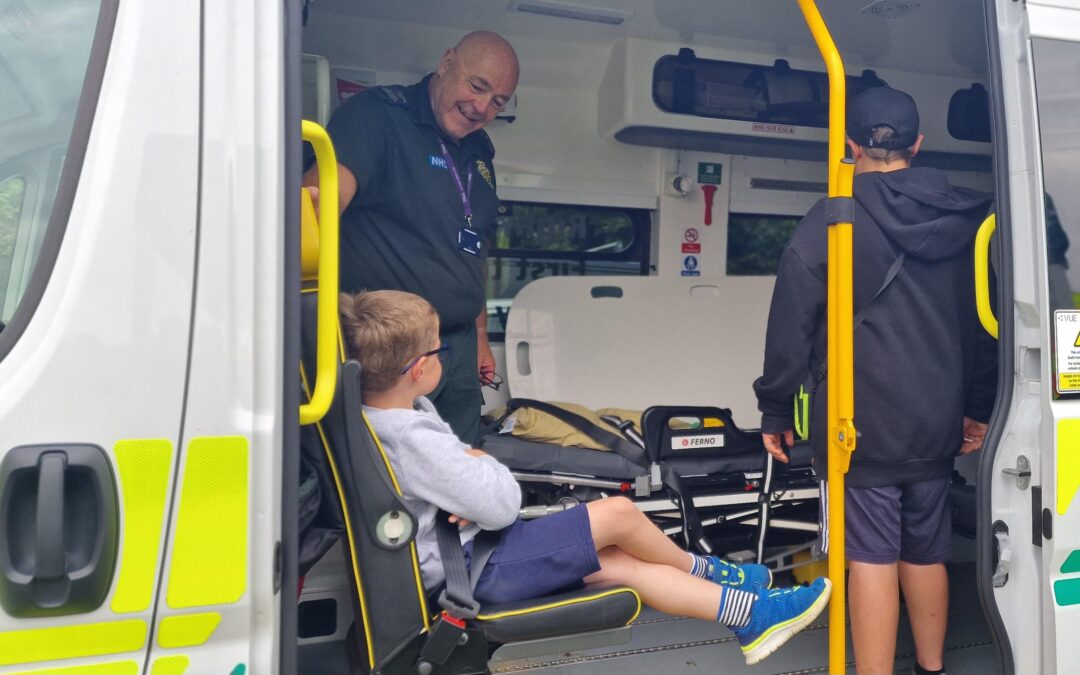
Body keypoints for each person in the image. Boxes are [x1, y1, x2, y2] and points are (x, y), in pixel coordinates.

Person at [340, 289, 833, 666]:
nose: (443, 356)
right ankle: (711, 571)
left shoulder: (385, 417)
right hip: (475, 567)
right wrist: (481, 464)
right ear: (419, 368)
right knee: (618, 513)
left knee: (620, 562)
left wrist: (469, 471)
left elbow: (468, 488)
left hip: (472, 553)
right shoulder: (412, 437)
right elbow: (501, 505)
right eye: (438, 349)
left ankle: (750, 616)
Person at [753, 86, 997, 675]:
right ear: (917, 144)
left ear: (848, 144)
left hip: (860, 423)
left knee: (871, 559)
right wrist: (978, 407)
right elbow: (984, 325)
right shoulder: (970, 223)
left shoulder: (831, 217)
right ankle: (932, 667)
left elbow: (792, 321)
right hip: (936, 420)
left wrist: (776, 409)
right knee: (927, 553)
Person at [302, 31, 519, 446]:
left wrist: (479, 339)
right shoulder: (377, 116)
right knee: (390, 476)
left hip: (455, 346)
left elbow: (473, 250)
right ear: (446, 62)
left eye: (498, 102)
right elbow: (315, 212)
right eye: (478, 87)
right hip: (389, 346)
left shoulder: (479, 150)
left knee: (460, 471)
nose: (482, 108)